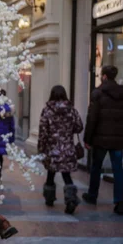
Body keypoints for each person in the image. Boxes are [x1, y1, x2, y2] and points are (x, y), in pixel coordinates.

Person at [83, 65, 123, 215]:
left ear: (104, 76)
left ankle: (92, 195)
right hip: (117, 141)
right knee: (118, 170)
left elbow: (92, 119)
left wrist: (88, 139)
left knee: (96, 167)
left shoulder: (97, 94)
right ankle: (120, 202)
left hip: (100, 140)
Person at [38, 85, 84, 214]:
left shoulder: (47, 110)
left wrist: (41, 148)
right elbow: (79, 127)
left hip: (52, 149)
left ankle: (49, 198)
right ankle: (71, 200)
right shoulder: (71, 110)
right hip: (67, 148)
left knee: (51, 174)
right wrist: (68, 131)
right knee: (66, 175)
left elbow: (43, 131)